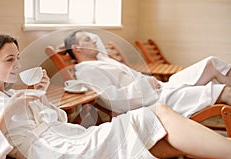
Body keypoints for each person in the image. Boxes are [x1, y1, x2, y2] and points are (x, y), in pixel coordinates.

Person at [0, 33, 231, 159]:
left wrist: (40, 98)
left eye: (18, 58)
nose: (18, 65)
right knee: (156, 114)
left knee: (163, 137)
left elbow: (57, 122)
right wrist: (8, 114)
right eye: (10, 60)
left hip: (71, 142)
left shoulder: (12, 95)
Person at [64, 30, 231, 117]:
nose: (94, 40)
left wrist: (149, 81)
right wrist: (146, 84)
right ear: (76, 49)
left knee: (210, 63)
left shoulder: (101, 60)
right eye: (87, 39)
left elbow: (129, 76)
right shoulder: (87, 71)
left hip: (160, 87)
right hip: (155, 101)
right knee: (224, 91)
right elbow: (113, 101)